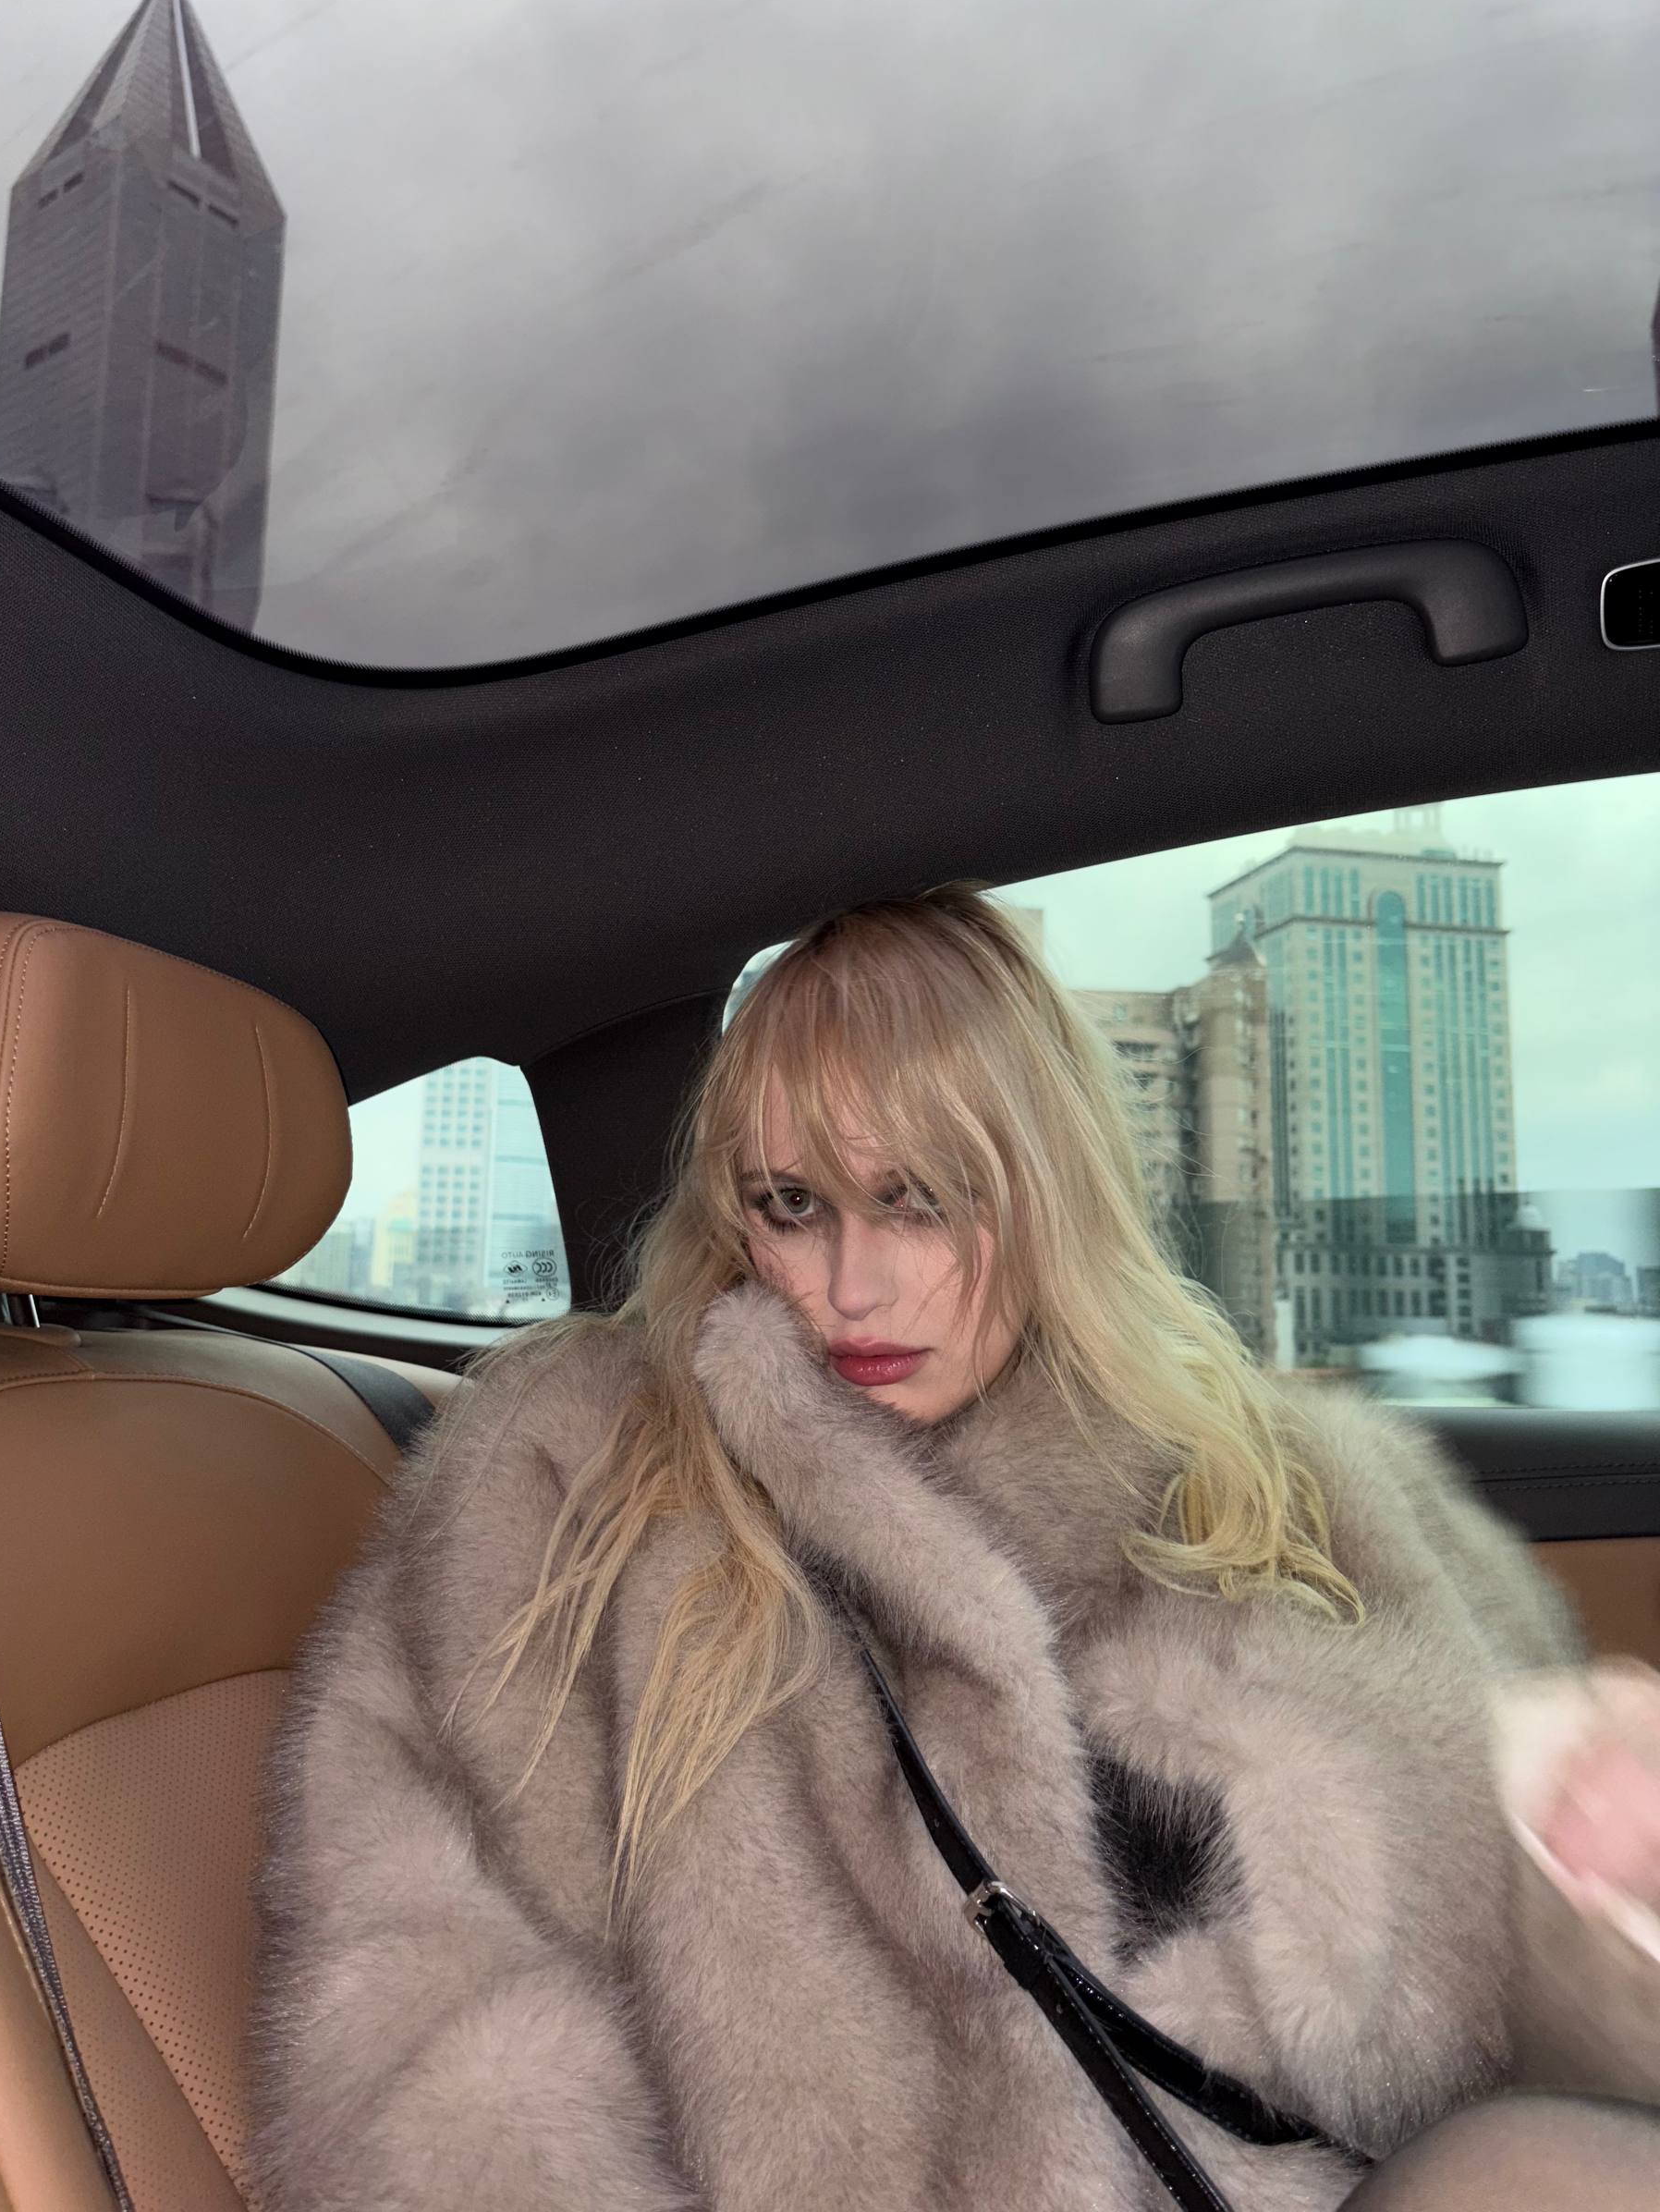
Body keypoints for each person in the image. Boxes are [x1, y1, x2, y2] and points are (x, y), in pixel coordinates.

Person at [250, 886, 1659, 2210]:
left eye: (919, 1199)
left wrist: (1555, 1850)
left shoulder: (1267, 1482)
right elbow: (415, 2005)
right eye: (792, 1206)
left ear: (1046, 1190)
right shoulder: (574, 1481)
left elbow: (1495, 2014)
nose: (851, 1286)